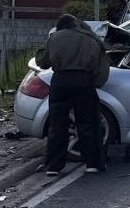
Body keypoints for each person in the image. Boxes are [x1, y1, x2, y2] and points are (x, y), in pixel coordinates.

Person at [36, 14, 110, 176]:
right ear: (76, 25)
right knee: (88, 122)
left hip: (60, 82)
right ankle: (93, 163)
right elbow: (102, 66)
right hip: (83, 82)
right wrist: (95, 82)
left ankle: (54, 166)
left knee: (57, 124)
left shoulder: (54, 37)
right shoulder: (91, 39)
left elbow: (42, 62)